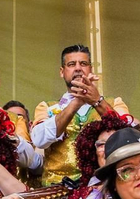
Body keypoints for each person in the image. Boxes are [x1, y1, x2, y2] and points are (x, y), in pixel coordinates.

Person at [30, 45, 133, 185]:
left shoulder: (114, 102)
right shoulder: (45, 106)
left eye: (83, 64)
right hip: (58, 194)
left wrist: (97, 101)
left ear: (90, 69)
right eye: (71, 64)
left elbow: (129, 137)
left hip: (106, 187)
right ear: (62, 72)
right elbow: (40, 140)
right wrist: (76, 102)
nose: (78, 68)